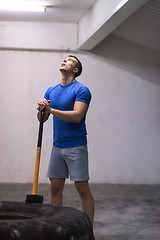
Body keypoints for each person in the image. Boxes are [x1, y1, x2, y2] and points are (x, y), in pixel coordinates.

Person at [37, 55, 94, 225]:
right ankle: (57, 227)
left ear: (75, 70)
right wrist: (41, 109)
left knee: (82, 188)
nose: (65, 61)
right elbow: (42, 119)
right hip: (58, 146)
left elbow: (77, 116)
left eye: (70, 60)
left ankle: (88, 228)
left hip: (76, 146)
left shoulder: (82, 90)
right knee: (55, 188)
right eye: (64, 59)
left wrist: (51, 109)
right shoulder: (51, 90)